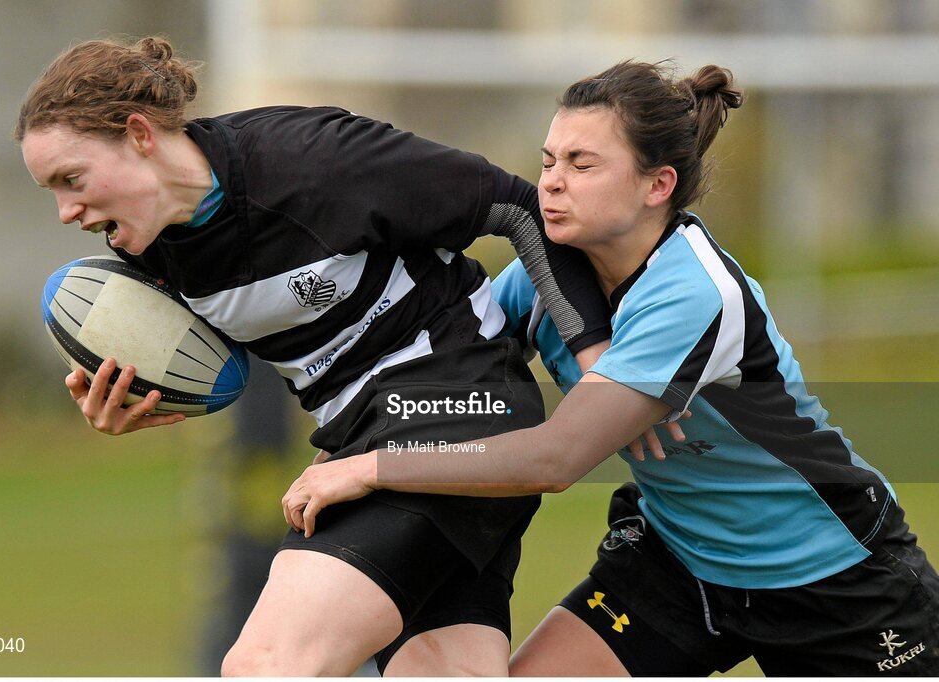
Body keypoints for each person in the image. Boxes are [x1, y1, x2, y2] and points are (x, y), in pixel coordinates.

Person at [282, 61, 939, 676]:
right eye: (548, 162)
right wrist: (350, 443)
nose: (552, 182)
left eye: (581, 163)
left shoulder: (693, 292)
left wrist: (371, 467)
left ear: (658, 185)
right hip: (674, 563)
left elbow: (554, 461)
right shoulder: (543, 277)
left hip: (832, 577)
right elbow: (439, 379)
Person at [15, 36, 637, 677]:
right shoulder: (149, 250)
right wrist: (139, 401)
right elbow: (227, 358)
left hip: (453, 403)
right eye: (51, 191)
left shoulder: (312, 159)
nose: (67, 211)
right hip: (361, 437)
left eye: (72, 179)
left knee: (266, 666)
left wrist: (601, 369)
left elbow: (521, 209)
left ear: (140, 134)